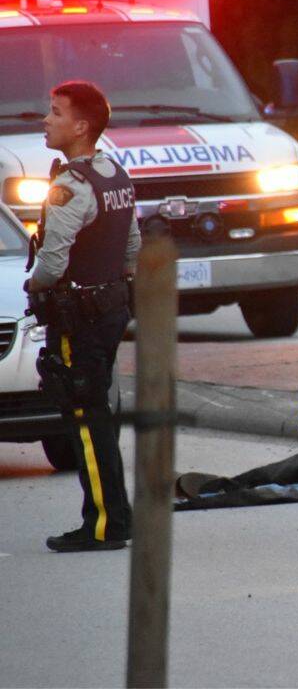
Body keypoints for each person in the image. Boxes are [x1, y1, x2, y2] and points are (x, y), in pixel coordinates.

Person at [27, 81, 140, 552]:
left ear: (81, 126)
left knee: (85, 417)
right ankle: (115, 517)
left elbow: (52, 264)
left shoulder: (70, 186)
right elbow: (132, 246)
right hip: (111, 307)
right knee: (97, 413)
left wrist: (30, 287)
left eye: (55, 113)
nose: (45, 120)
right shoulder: (113, 174)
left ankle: (104, 526)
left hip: (79, 316)